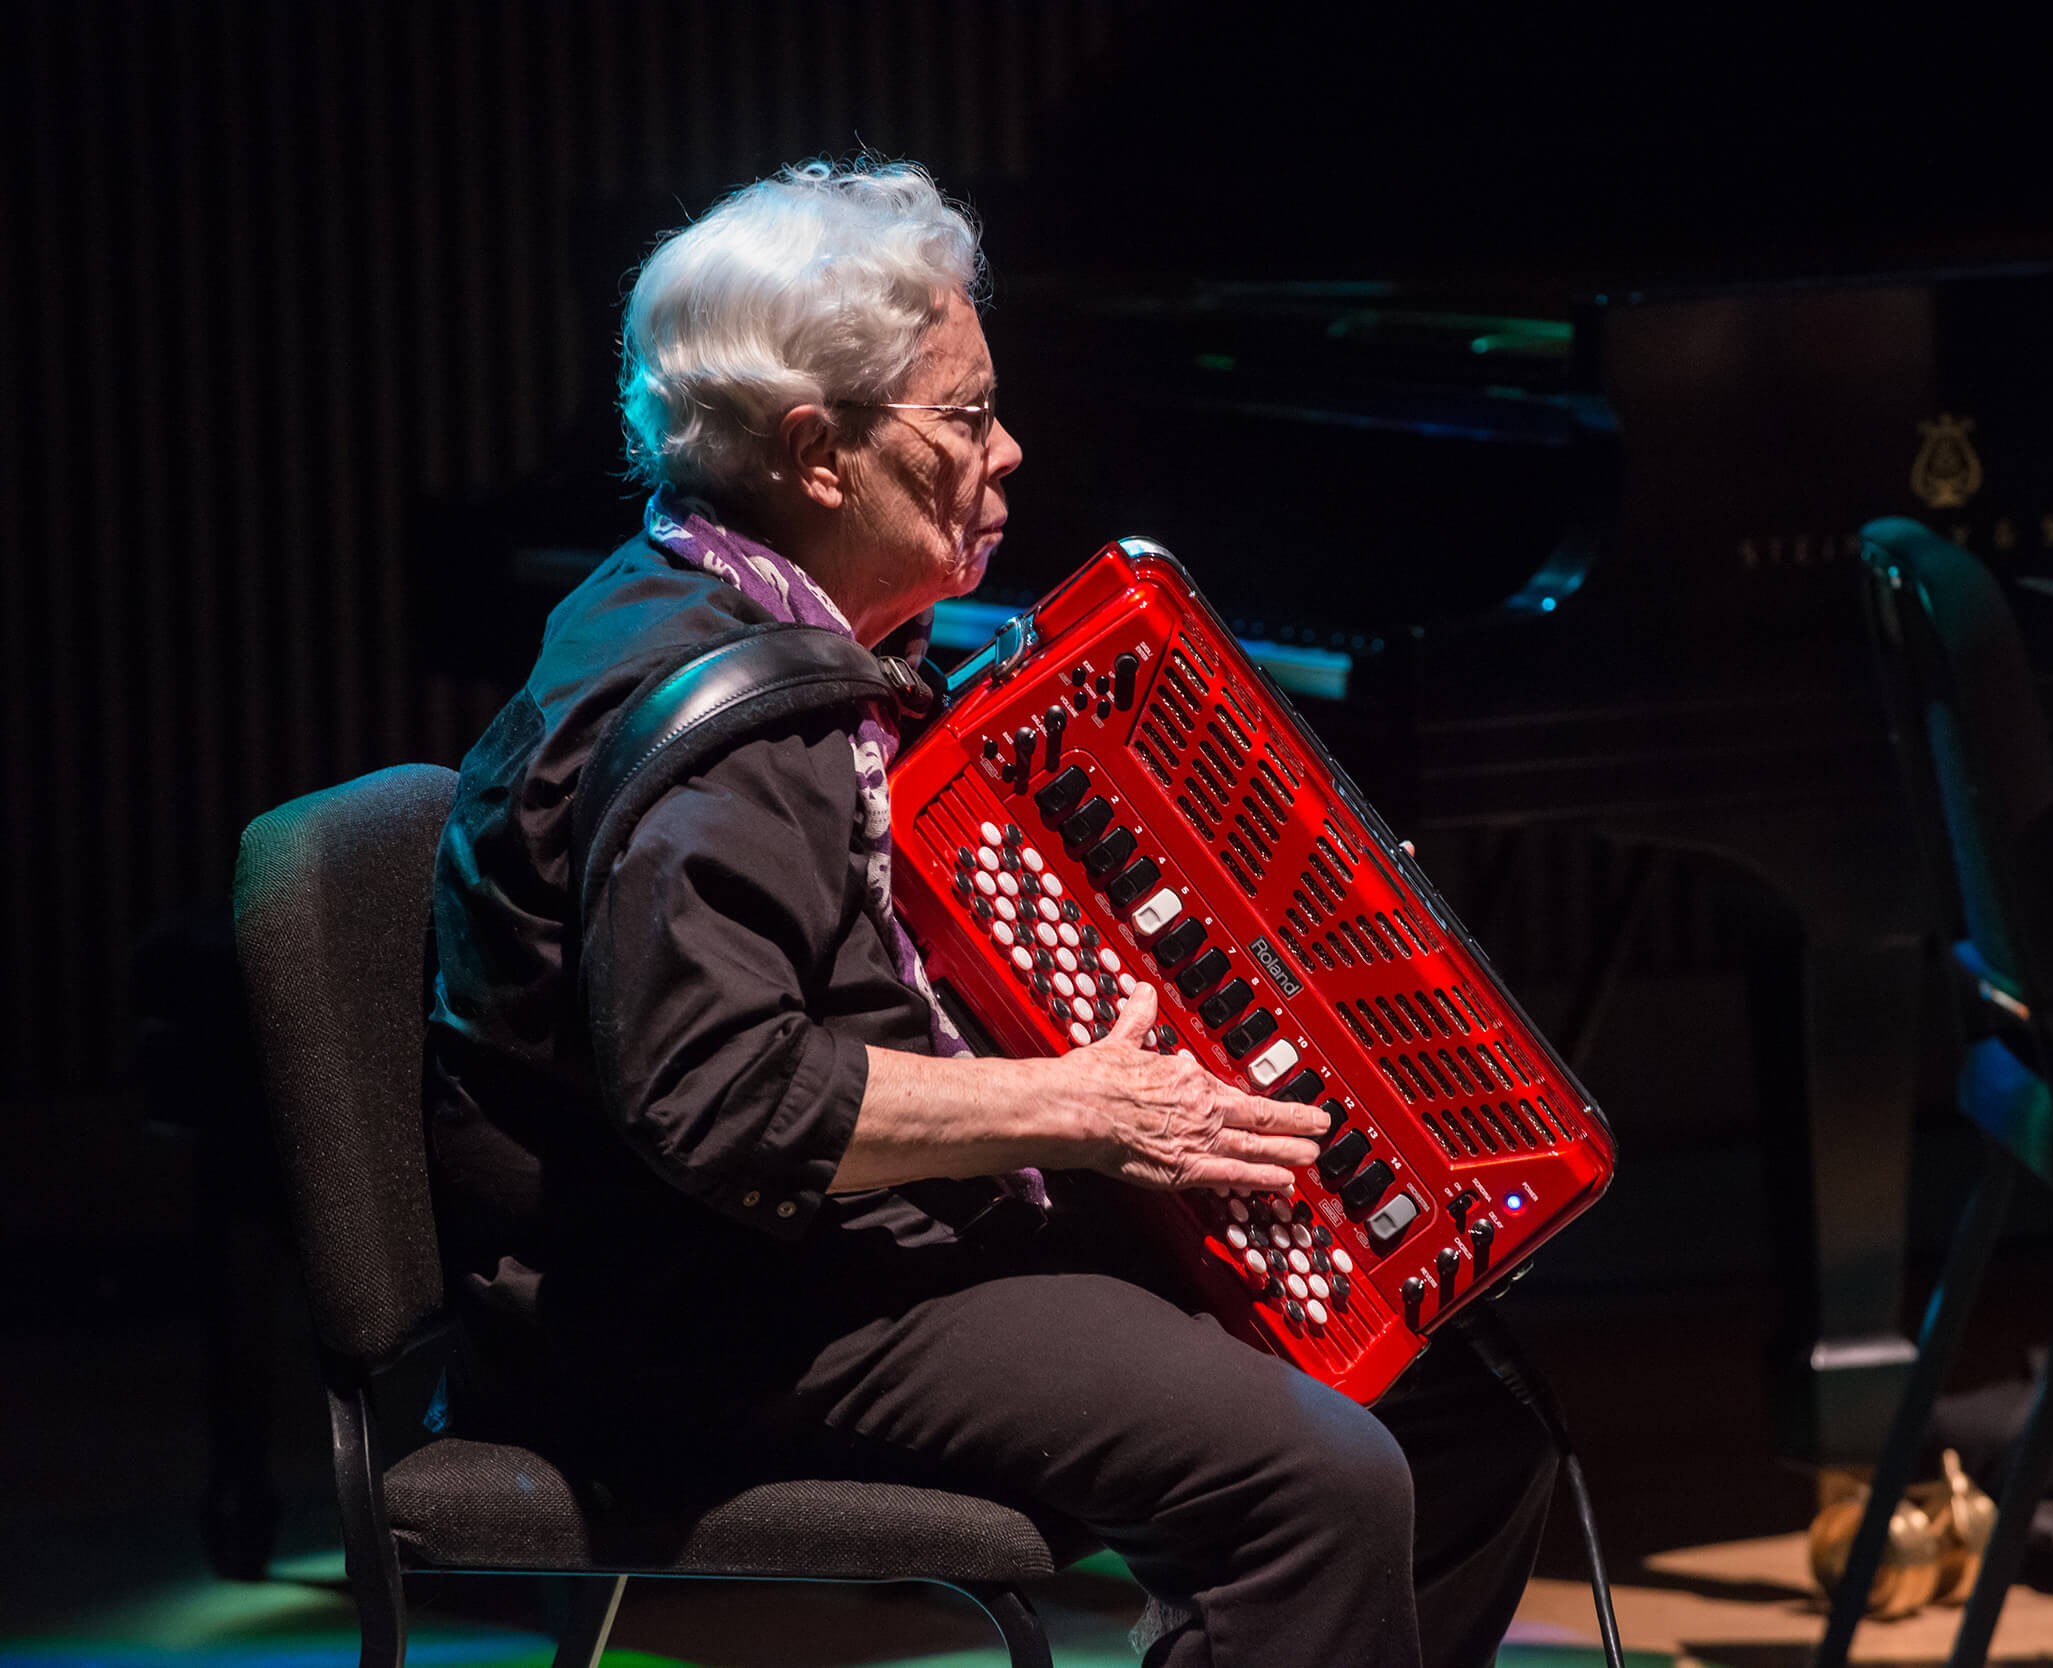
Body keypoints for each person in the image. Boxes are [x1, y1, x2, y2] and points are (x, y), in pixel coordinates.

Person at [425, 158, 1557, 1668]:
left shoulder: (780, 623)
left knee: (1464, 1418)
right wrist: (1076, 1106)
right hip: (716, 1311)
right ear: (817, 453)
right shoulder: (710, 727)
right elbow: (722, 1098)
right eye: (963, 420)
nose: (1010, 450)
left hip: (850, 1236)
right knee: (1319, 1479)